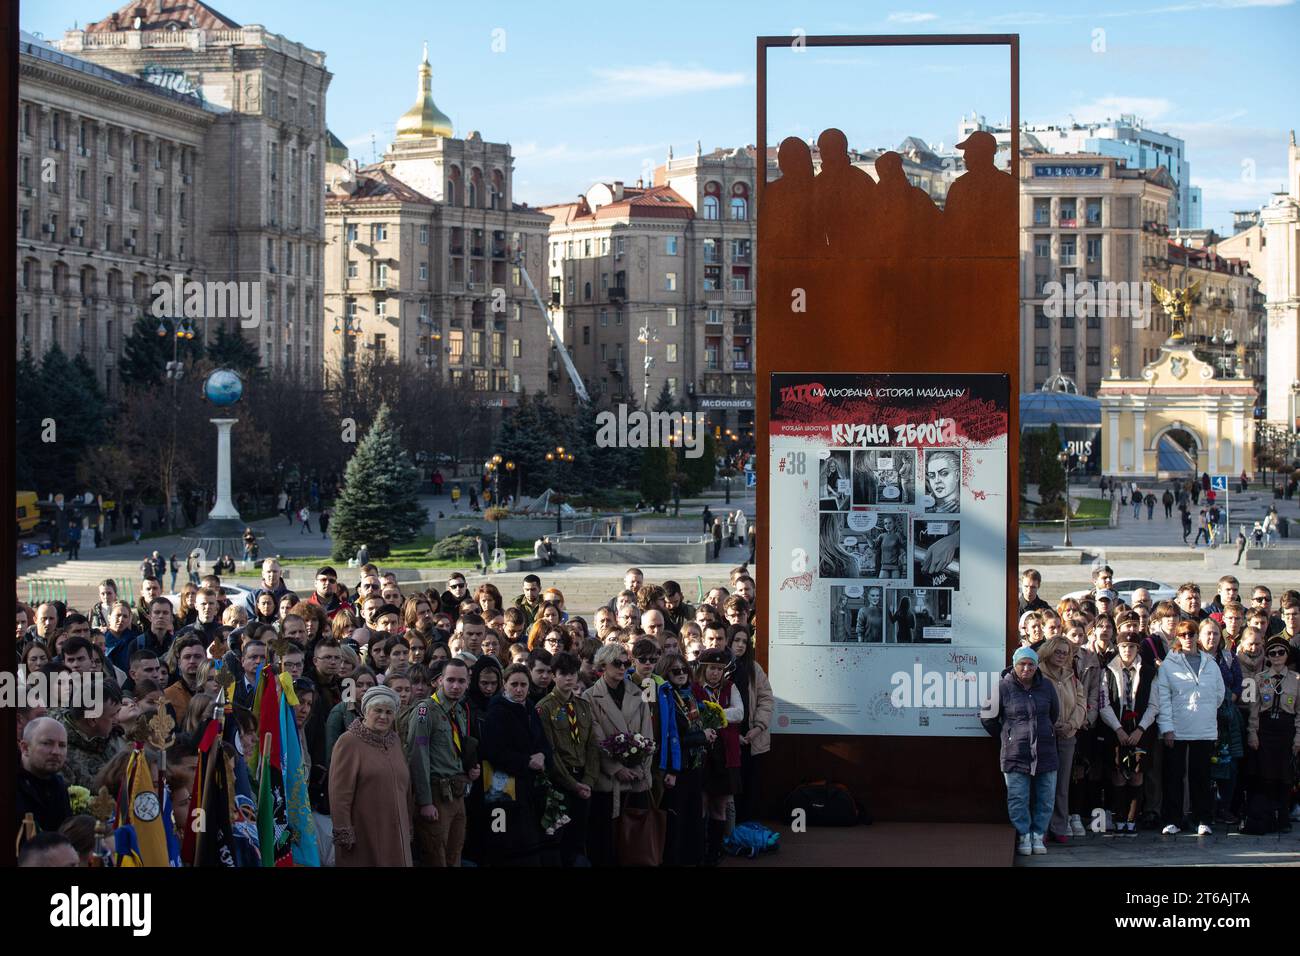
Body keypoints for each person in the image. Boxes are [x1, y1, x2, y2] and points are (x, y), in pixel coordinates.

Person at [982, 646, 1059, 856]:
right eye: (1022, 664)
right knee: (1018, 797)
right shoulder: (1001, 687)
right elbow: (987, 718)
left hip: (1045, 751)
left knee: (1046, 797)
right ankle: (1023, 834)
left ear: (1036, 666)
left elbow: (1054, 714)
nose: (1026, 668)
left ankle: (1038, 834)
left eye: (1031, 664)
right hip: (1015, 753)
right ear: (1014, 665)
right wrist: (1008, 736)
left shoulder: (1047, 686)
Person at [583, 643, 655, 867]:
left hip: (635, 780)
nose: (623, 667)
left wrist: (639, 768)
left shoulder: (638, 693)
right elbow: (595, 740)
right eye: (617, 663)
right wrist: (616, 769)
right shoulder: (589, 697)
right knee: (606, 842)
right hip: (608, 781)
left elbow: (647, 734)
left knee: (634, 842)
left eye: (625, 663)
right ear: (603, 665)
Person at [1154, 620, 1226, 835]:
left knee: (1201, 776)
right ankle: (1173, 819)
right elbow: (1163, 698)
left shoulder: (1210, 663)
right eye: (1183, 634)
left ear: (1197, 636)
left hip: (1204, 728)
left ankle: (1202, 818)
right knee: (1174, 775)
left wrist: (1205, 710)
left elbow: (1219, 693)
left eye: (1192, 634)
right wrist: (1166, 727)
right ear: (1177, 637)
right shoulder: (1169, 664)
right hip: (1176, 728)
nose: (1188, 638)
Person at [479, 663, 555, 865]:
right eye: (514, 684)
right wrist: (526, 762)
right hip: (503, 789)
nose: (519, 689)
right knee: (503, 839)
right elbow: (494, 752)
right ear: (505, 685)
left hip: (530, 787)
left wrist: (543, 757)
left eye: (523, 684)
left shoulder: (529, 707)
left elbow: (542, 741)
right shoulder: (497, 712)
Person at [329, 685, 413, 866]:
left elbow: (404, 786)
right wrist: (344, 831)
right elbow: (339, 794)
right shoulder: (349, 741)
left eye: (389, 712)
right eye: (378, 710)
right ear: (366, 711)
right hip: (364, 833)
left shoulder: (394, 740)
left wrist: (408, 825)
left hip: (395, 833)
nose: (384, 716)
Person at [407, 657, 478, 867]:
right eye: (450, 680)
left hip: (457, 791)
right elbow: (417, 756)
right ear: (439, 681)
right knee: (435, 855)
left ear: (467, 683)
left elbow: (457, 748)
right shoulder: (425, 710)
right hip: (436, 793)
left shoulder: (459, 710)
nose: (456, 686)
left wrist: (469, 770)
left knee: (454, 854)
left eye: (461, 681)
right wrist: (425, 801)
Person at [537, 652, 599, 866]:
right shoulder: (545, 708)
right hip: (560, 784)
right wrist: (573, 785)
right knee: (557, 839)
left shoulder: (583, 706)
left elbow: (592, 746)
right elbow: (550, 752)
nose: (569, 678)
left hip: (584, 781)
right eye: (563, 673)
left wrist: (588, 781)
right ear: (554, 676)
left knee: (578, 839)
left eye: (573, 673)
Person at [1098, 629, 1159, 832]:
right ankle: (1120, 816)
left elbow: (1154, 705)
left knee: (1137, 773)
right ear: (1118, 647)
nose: (1127, 650)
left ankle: (1132, 818)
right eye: (1124, 646)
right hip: (1116, 728)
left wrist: (1141, 729)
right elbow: (1104, 704)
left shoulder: (1148, 672)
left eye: (1132, 647)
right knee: (1117, 772)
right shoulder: (1107, 671)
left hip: (1140, 729)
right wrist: (1118, 729)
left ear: (1138, 648)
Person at [1243, 635, 1300, 833]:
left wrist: (1298, 738)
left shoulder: (1297, 680)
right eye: (1272, 653)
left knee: (1284, 776)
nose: (1276, 656)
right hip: (1265, 729)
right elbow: (1254, 709)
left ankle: (1283, 817)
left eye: (1280, 652)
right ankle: (1266, 817)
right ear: (1267, 656)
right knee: (1265, 775)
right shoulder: (1259, 679)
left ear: (1287, 655)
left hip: (1286, 729)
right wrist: (1253, 733)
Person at [1036, 636, 1086, 843]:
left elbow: (1081, 704)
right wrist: (1050, 725)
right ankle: (1042, 826)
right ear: (1049, 651)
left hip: (1067, 736)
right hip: (1044, 737)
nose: (1062, 656)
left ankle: (1059, 826)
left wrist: (1071, 725)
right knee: (1043, 783)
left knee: (1062, 785)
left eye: (1065, 653)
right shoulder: (1038, 674)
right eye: (1058, 651)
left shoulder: (1071, 676)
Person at [696, 647, 743, 865]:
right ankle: (701, 850)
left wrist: (714, 712)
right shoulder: (695, 688)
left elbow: (739, 712)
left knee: (720, 805)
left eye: (719, 668)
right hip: (703, 756)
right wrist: (722, 713)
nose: (715, 673)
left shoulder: (730, 687)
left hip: (726, 756)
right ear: (703, 669)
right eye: (711, 668)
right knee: (702, 802)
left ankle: (715, 851)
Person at [17, 717, 72, 833]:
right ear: (25, 748)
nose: (56, 752)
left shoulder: (58, 786)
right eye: (47, 743)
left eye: (62, 745)